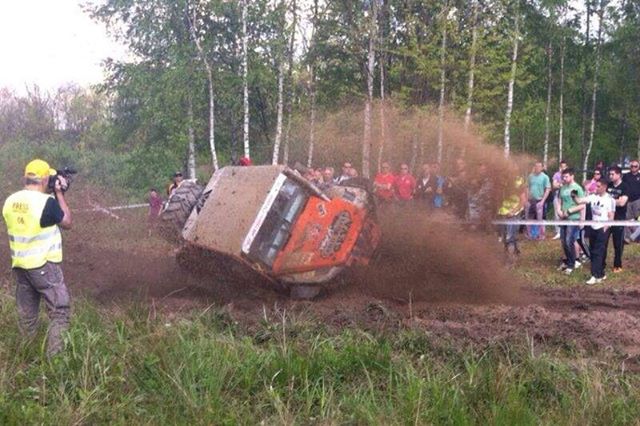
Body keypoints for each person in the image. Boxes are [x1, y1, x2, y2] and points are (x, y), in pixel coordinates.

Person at [2, 159, 72, 357]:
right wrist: (59, 193)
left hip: (20, 267)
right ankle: (55, 360)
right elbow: (67, 222)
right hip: (44, 267)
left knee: (27, 316)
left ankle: (27, 356)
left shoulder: (10, 201)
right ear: (44, 179)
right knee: (60, 312)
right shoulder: (46, 203)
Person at [572, 178, 615, 285]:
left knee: (598, 252)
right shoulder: (593, 197)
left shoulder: (609, 199)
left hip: (602, 228)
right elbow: (579, 201)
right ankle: (600, 274)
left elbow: (611, 215)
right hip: (593, 227)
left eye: (598, 186)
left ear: (604, 187)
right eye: (596, 186)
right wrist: (573, 195)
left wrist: (606, 227)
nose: (596, 188)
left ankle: (595, 275)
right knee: (593, 251)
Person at [555, 167, 585, 275]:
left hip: (573, 218)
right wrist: (559, 210)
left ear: (572, 176)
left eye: (566, 176)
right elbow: (559, 201)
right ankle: (567, 261)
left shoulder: (577, 188)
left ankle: (571, 264)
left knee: (569, 240)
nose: (564, 178)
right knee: (563, 241)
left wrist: (570, 211)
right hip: (563, 218)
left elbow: (582, 205)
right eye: (563, 177)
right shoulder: (562, 188)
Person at [497, 174, 527, 261]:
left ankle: (511, 258)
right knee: (503, 236)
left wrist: (513, 212)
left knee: (510, 236)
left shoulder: (518, 181)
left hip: (514, 214)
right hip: (502, 213)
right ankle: (509, 253)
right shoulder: (499, 179)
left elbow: (523, 200)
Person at [606, 166, 629, 273]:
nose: (610, 176)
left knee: (618, 243)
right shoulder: (608, 185)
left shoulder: (625, 187)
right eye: (609, 174)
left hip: (619, 218)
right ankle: (601, 263)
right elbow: (603, 198)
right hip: (607, 217)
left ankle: (617, 265)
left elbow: (622, 203)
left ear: (619, 175)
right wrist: (615, 200)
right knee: (603, 242)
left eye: (613, 174)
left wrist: (609, 201)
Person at [526, 161, 551, 240]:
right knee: (528, 218)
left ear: (542, 168)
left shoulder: (545, 177)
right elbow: (527, 187)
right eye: (536, 166)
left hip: (539, 201)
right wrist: (526, 199)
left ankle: (541, 235)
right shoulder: (530, 176)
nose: (537, 168)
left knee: (540, 219)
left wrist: (542, 201)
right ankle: (529, 235)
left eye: (539, 166)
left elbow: (548, 189)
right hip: (530, 201)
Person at [623, 159, 640, 242]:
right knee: (627, 219)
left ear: (638, 167)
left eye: (635, 166)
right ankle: (627, 237)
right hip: (627, 200)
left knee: (638, 219)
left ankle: (637, 237)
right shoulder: (626, 176)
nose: (633, 167)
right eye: (632, 166)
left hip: (637, 200)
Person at [551, 160, 568, 239]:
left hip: (566, 197)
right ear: (560, 167)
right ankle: (558, 232)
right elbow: (554, 185)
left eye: (564, 166)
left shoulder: (568, 175)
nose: (563, 168)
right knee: (557, 213)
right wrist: (561, 184)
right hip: (557, 196)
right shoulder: (556, 175)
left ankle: (566, 230)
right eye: (562, 166)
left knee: (566, 213)